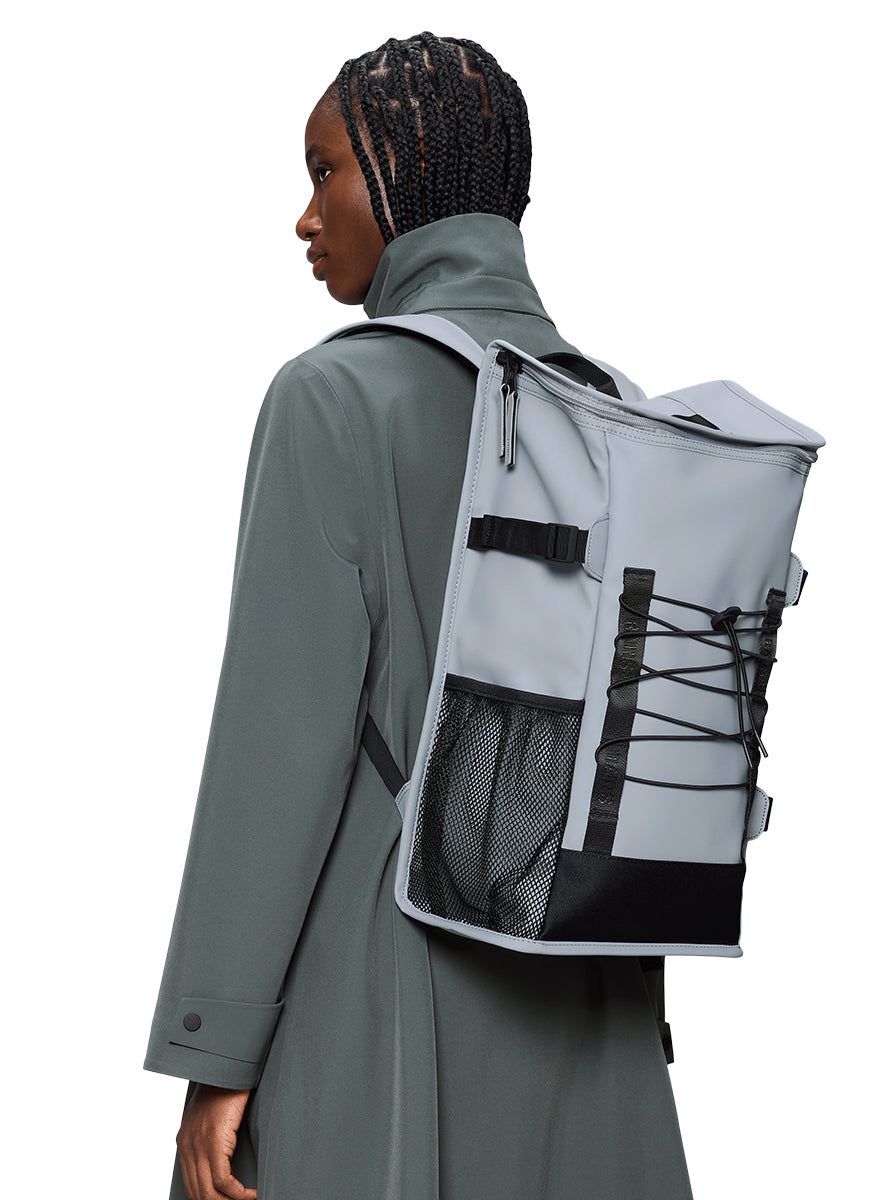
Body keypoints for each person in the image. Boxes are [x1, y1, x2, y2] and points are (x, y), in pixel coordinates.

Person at [143, 33, 695, 1200]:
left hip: (385, 1001)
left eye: (325, 170)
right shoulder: (621, 413)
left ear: (404, 168)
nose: (305, 217)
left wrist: (215, 1050)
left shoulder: (332, 396)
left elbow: (276, 751)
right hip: (595, 1005)